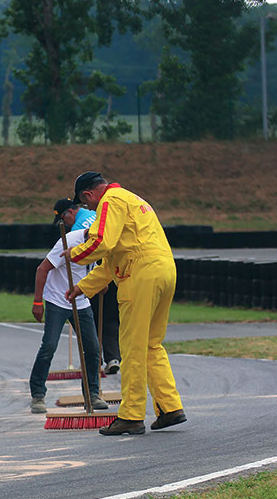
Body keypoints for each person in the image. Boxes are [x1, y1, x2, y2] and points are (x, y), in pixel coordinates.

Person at [65, 171, 187, 436]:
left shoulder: (110, 201)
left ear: (88, 195)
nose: (91, 209)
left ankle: (131, 416)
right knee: (151, 344)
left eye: (87, 205)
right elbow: (112, 259)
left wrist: (73, 255)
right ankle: (170, 407)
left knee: (131, 347)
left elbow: (100, 242)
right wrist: (84, 287)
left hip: (140, 275)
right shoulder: (133, 199)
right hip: (164, 270)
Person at [28, 201, 107, 414]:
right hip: (57, 300)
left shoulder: (101, 244)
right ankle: (37, 394)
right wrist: (37, 302)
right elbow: (42, 269)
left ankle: (92, 394)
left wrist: (100, 282)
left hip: (81, 300)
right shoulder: (69, 240)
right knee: (49, 346)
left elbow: (99, 267)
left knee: (93, 349)